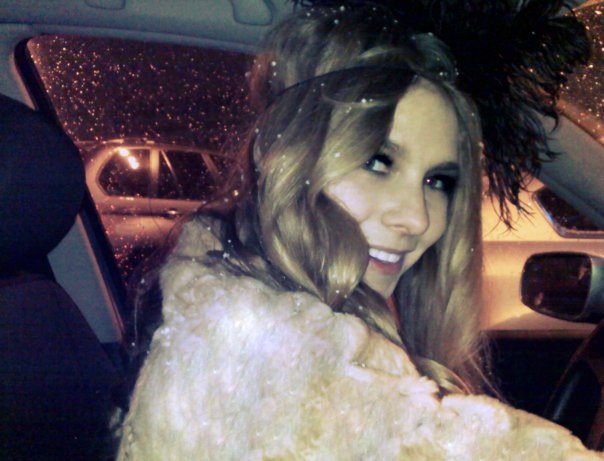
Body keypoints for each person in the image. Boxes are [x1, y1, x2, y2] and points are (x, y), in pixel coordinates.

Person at [117, 2, 602, 459]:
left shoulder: (245, 311)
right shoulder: (255, 359)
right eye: (376, 161)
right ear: (281, 156)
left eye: (438, 181)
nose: (417, 219)